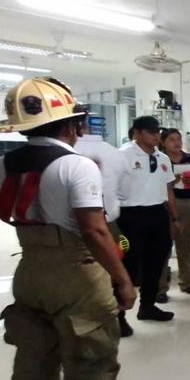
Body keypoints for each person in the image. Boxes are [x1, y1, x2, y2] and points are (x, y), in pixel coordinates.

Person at [0, 76, 138, 380]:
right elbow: (94, 229)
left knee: (33, 359)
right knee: (90, 358)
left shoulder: (2, 165)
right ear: (72, 125)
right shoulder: (75, 165)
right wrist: (122, 278)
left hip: (30, 268)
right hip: (76, 272)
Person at [75, 117, 133, 336]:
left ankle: (86, 322)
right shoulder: (114, 153)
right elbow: (125, 193)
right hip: (108, 226)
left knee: (80, 277)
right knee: (114, 269)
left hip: (69, 232)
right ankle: (119, 318)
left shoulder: (64, 155)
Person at [118, 116, 180, 322]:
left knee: (156, 262)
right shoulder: (123, 156)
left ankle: (147, 306)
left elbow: (169, 190)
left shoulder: (162, 158)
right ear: (136, 133)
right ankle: (118, 315)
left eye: (157, 131)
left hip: (157, 214)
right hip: (130, 216)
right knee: (128, 264)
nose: (156, 135)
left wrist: (175, 217)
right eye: (150, 131)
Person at [158, 128, 190, 299]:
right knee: (164, 248)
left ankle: (186, 281)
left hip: (187, 203)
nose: (177, 143)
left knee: (184, 245)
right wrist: (172, 181)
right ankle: (161, 287)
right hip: (165, 204)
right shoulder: (160, 160)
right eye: (172, 139)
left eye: (179, 139)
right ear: (163, 142)